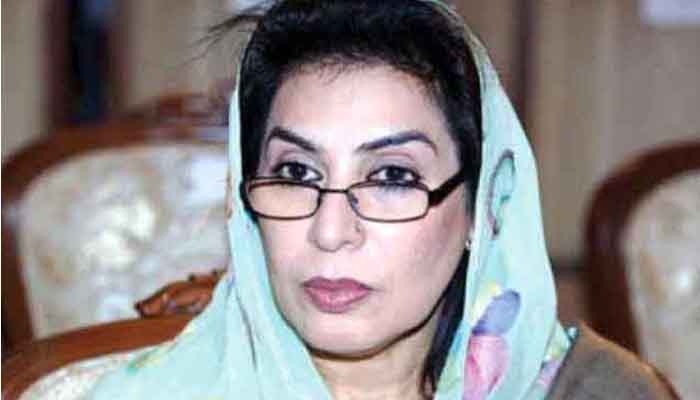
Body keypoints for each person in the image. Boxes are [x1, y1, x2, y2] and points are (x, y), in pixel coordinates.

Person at [90, 1, 678, 399]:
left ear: (481, 209)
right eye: (296, 172)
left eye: (392, 176)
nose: (330, 231)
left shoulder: (591, 391)